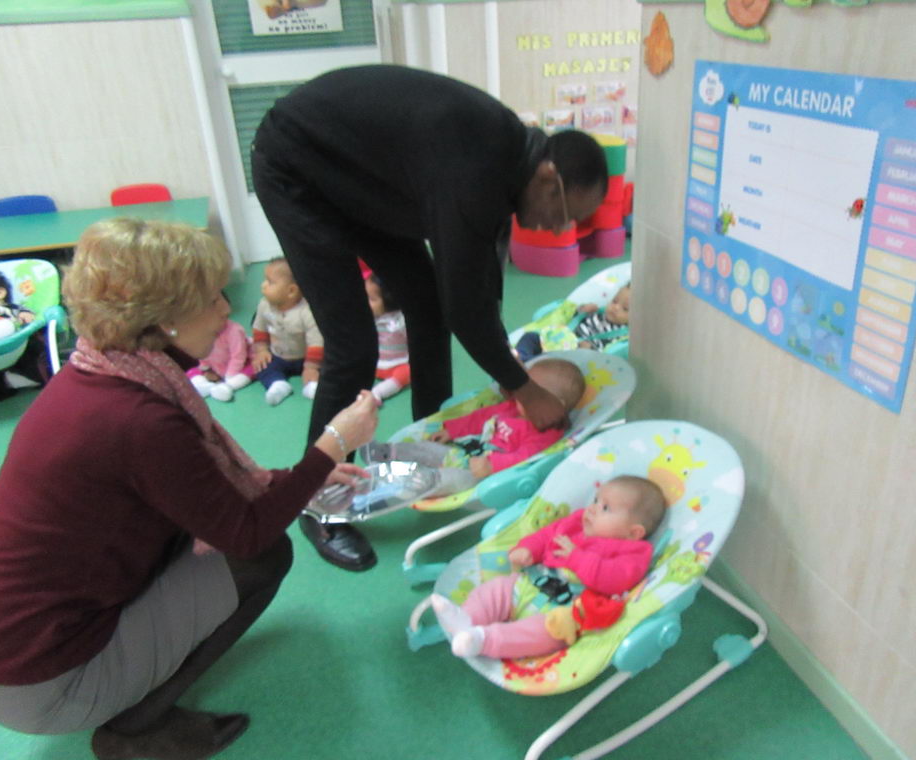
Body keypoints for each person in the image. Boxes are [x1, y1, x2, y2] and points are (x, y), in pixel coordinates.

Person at [0, 218, 378, 760]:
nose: (224, 311)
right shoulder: (139, 419)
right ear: (161, 320)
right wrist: (332, 445)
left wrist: (307, 478)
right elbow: (248, 532)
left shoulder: (100, 370)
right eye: (210, 299)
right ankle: (135, 725)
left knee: (218, 540)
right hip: (41, 680)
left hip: (2, 647)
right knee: (266, 556)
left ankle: (133, 692)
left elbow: (198, 489)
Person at [252, 64, 609, 570]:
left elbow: (476, 280)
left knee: (425, 304)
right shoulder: (478, 169)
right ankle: (318, 504)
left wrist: (505, 367)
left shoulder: (508, 164)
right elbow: (466, 304)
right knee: (353, 341)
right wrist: (522, 386)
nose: (560, 227)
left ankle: (428, 436)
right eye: (565, 211)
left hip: (367, 178)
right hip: (298, 168)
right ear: (549, 178)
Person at [431, 476, 666, 659]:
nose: (592, 508)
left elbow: (616, 580)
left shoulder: (634, 552)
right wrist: (528, 549)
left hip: (560, 611)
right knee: (494, 590)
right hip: (529, 582)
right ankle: (467, 619)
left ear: (633, 532)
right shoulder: (576, 522)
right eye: (596, 500)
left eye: (605, 508)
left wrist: (578, 559)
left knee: (538, 635)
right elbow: (546, 536)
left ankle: (482, 640)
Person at [363, 358, 585, 496]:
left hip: (483, 474)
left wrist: (492, 466)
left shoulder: (546, 434)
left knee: (451, 479)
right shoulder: (513, 408)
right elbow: (481, 417)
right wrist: (452, 430)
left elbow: (526, 457)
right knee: (427, 449)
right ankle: (387, 453)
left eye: (533, 393)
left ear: (556, 405)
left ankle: (411, 483)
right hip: (467, 452)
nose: (523, 394)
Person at [251, 257, 324, 406]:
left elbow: (316, 341)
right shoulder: (264, 305)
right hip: (278, 356)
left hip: (306, 357)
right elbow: (259, 329)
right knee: (263, 367)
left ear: (291, 291)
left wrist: (311, 367)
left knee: (328, 365)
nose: (263, 285)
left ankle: (312, 385)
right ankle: (277, 384)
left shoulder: (306, 312)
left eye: (270, 282)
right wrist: (262, 351)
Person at [515, 283, 631, 362]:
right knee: (530, 336)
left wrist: (590, 349)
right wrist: (581, 310)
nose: (615, 307)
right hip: (558, 338)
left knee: (560, 365)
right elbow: (573, 319)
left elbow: (608, 352)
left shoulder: (621, 335)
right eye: (614, 301)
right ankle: (522, 358)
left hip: (573, 353)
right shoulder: (598, 312)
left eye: (625, 309)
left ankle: (533, 364)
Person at [364, 272, 410, 406]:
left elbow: (416, 341)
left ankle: (378, 393)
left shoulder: (401, 321)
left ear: (389, 299)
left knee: (408, 373)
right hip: (376, 364)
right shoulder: (371, 318)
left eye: (372, 299)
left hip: (399, 364)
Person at [188, 312, 254, 402]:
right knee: (192, 372)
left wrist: (229, 375)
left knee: (252, 369)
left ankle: (227, 386)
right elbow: (202, 353)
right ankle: (205, 386)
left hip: (242, 364)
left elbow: (238, 356)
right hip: (216, 366)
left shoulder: (233, 330)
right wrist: (207, 370)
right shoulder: (202, 333)